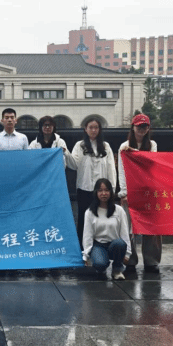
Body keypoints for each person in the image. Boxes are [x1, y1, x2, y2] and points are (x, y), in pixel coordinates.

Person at [117, 114, 161, 273]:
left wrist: (133, 152)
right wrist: (123, 192)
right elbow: (122, 170)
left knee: (151, 228)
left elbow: (150, 162)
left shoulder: (152, 144)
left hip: (148, 191)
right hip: (131, 190)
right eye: (139, 126)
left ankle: (151, 260)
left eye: (145, 126)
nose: (142, 129)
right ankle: (130, 259)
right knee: (128, 227)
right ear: (133, 127)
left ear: (148, 128)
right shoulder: (124, 146)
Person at [69, 118, 116, 246]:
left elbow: (111, 168)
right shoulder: (80, 145)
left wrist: (112, 188)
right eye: (91, 127)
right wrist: (66, 153)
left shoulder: (105, 146)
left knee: (101, 218)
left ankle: (100, 247)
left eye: (96, 127)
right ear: (85, 129)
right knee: (84, 219)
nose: (93, 130)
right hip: (84, 188)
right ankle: (82, 248)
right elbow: (73, 164)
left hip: (102, 191)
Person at [82, 179, 131, 280]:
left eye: (106, 190)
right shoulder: (90, 212)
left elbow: (124, 233)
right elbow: (87, 235)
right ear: (96, 192)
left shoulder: (119, 210)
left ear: (111, 192)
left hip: (114, 244)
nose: (103, 193)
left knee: (120, 243)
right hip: (98, 245)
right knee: (100, 264)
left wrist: (127, 254)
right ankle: (102, 265)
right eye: (100, 190)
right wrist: (86, 255)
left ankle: (117, 269)